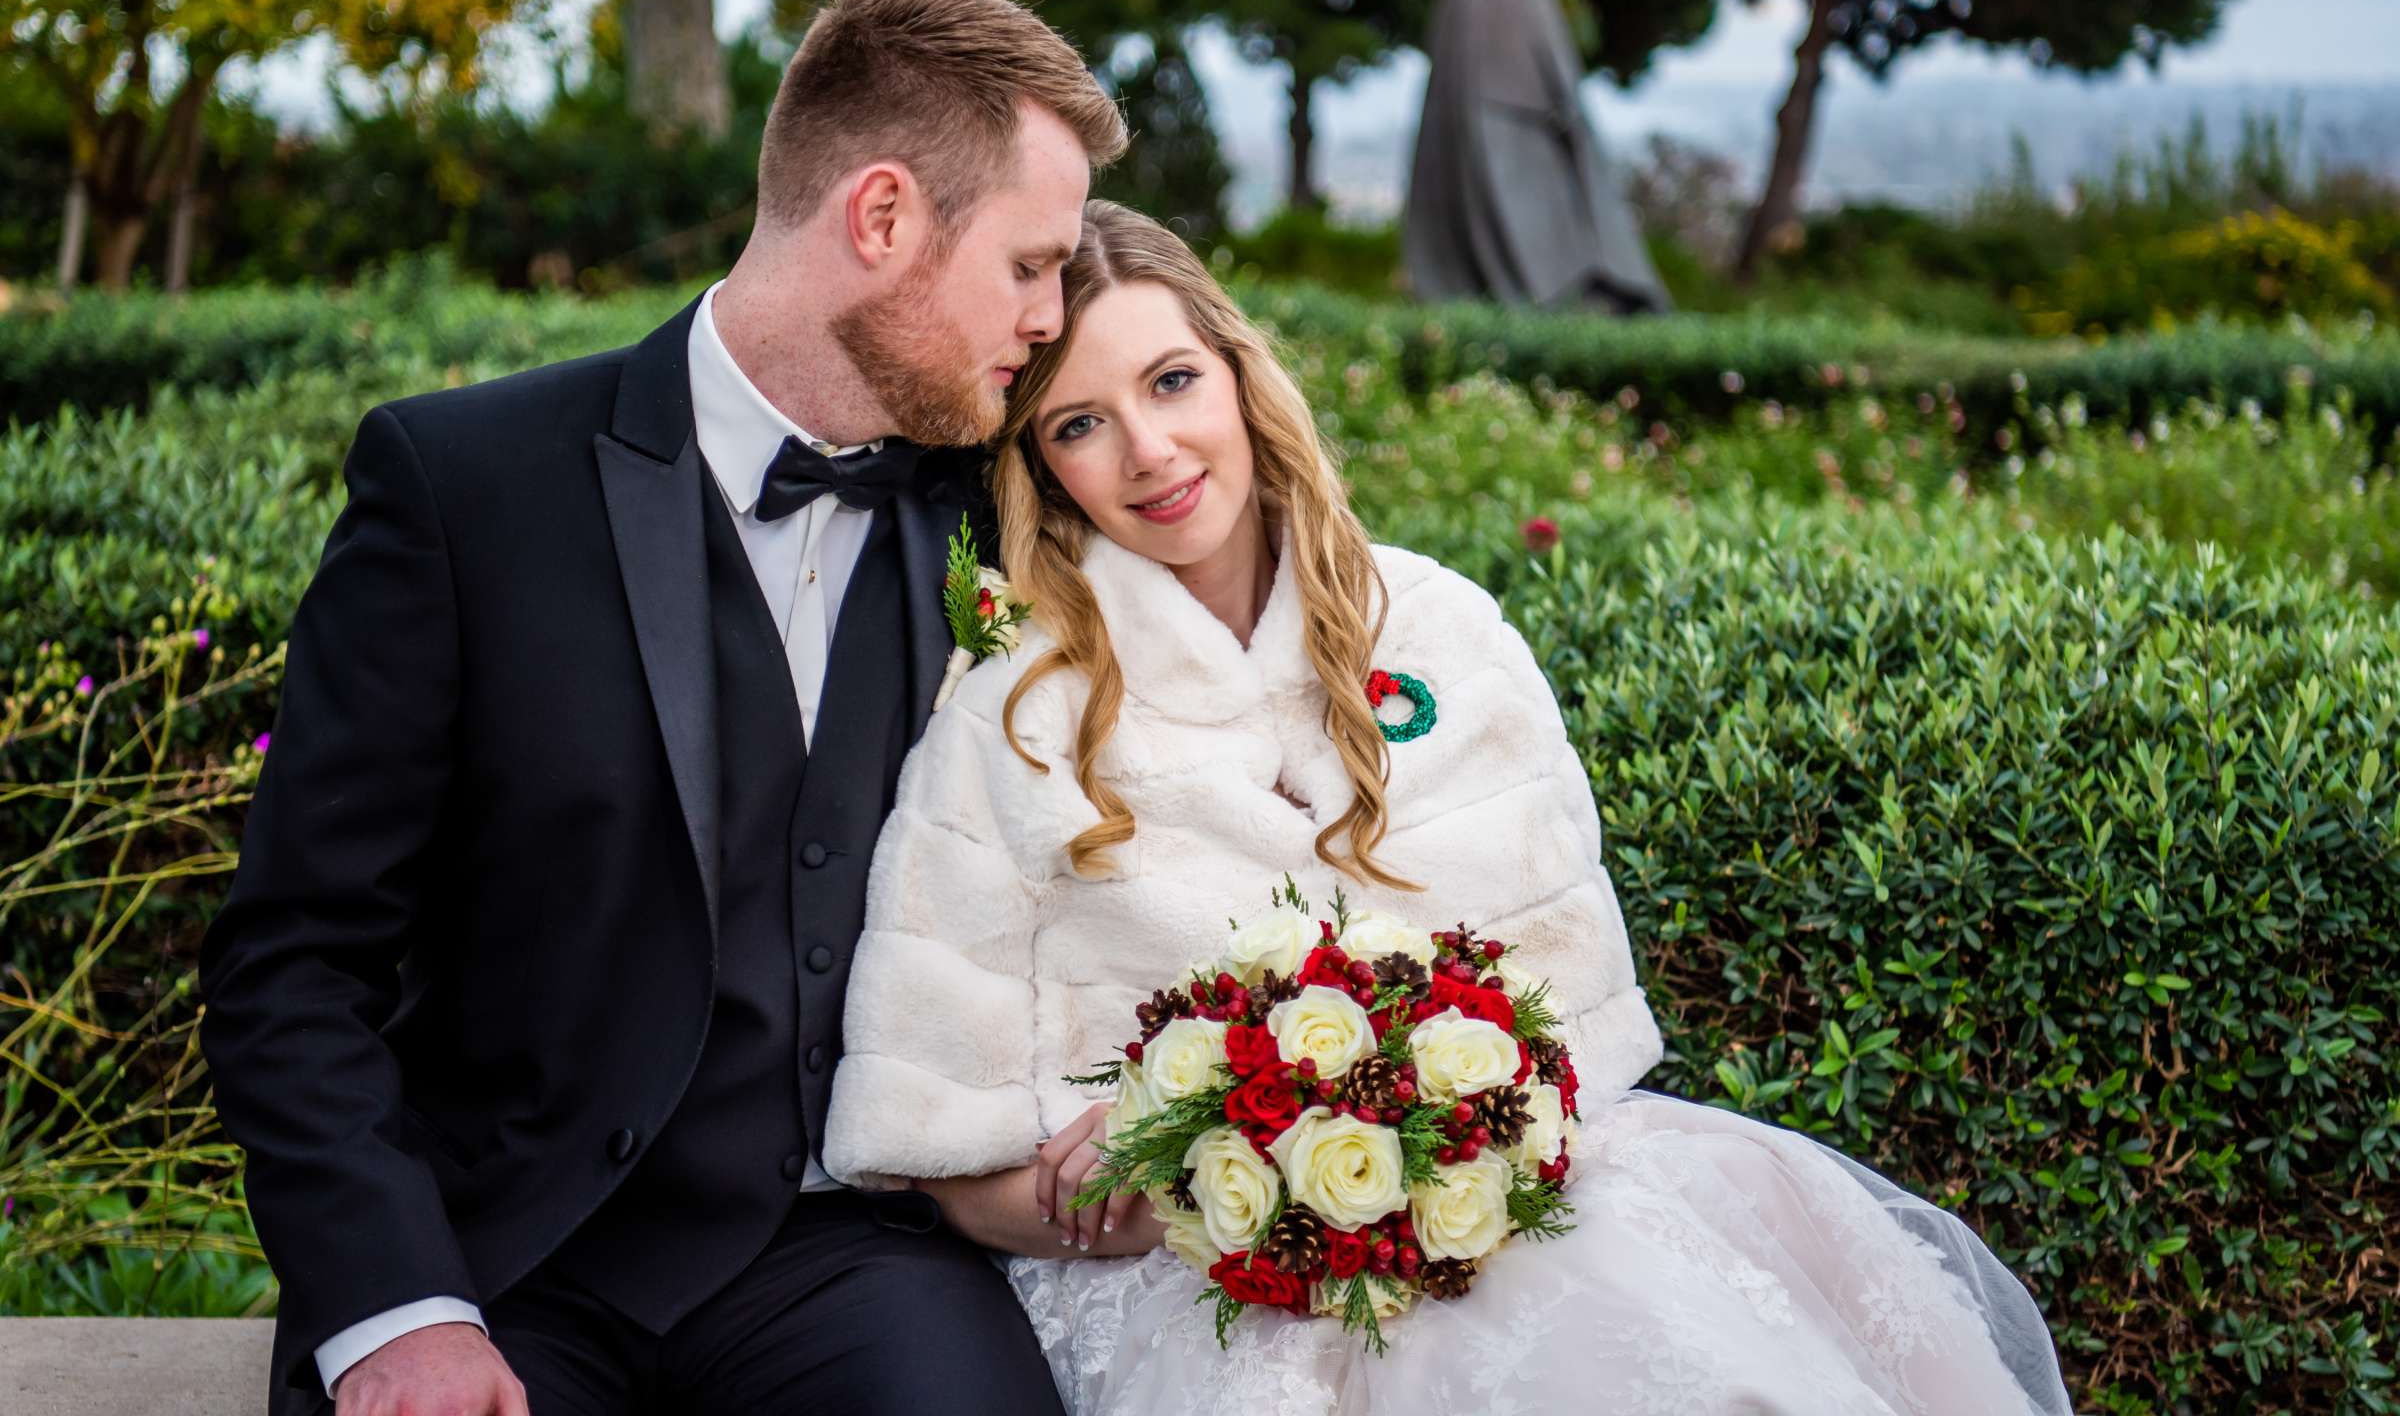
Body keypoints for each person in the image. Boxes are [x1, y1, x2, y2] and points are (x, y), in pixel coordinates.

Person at [822, 199, 2077, 1415]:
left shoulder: (1445, 628)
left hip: (1506, 1215)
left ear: (1238, 375)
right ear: (1041, 466)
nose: (1148, 452)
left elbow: (1567, 1027)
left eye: (1171, 382)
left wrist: (1426, 1158)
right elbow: (937, 1137)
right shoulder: (1021, 706)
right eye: (1079, 424)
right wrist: (1182, 1171)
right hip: (1193, 1284)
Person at [198, 0, 1126, 1416]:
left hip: (846, 1260)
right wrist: (397, 1313)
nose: (1050, 315)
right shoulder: (465, 489)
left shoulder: (1011, 512)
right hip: (509, 1264)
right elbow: (293, 963)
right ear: (880, 219)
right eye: (1028, 265)